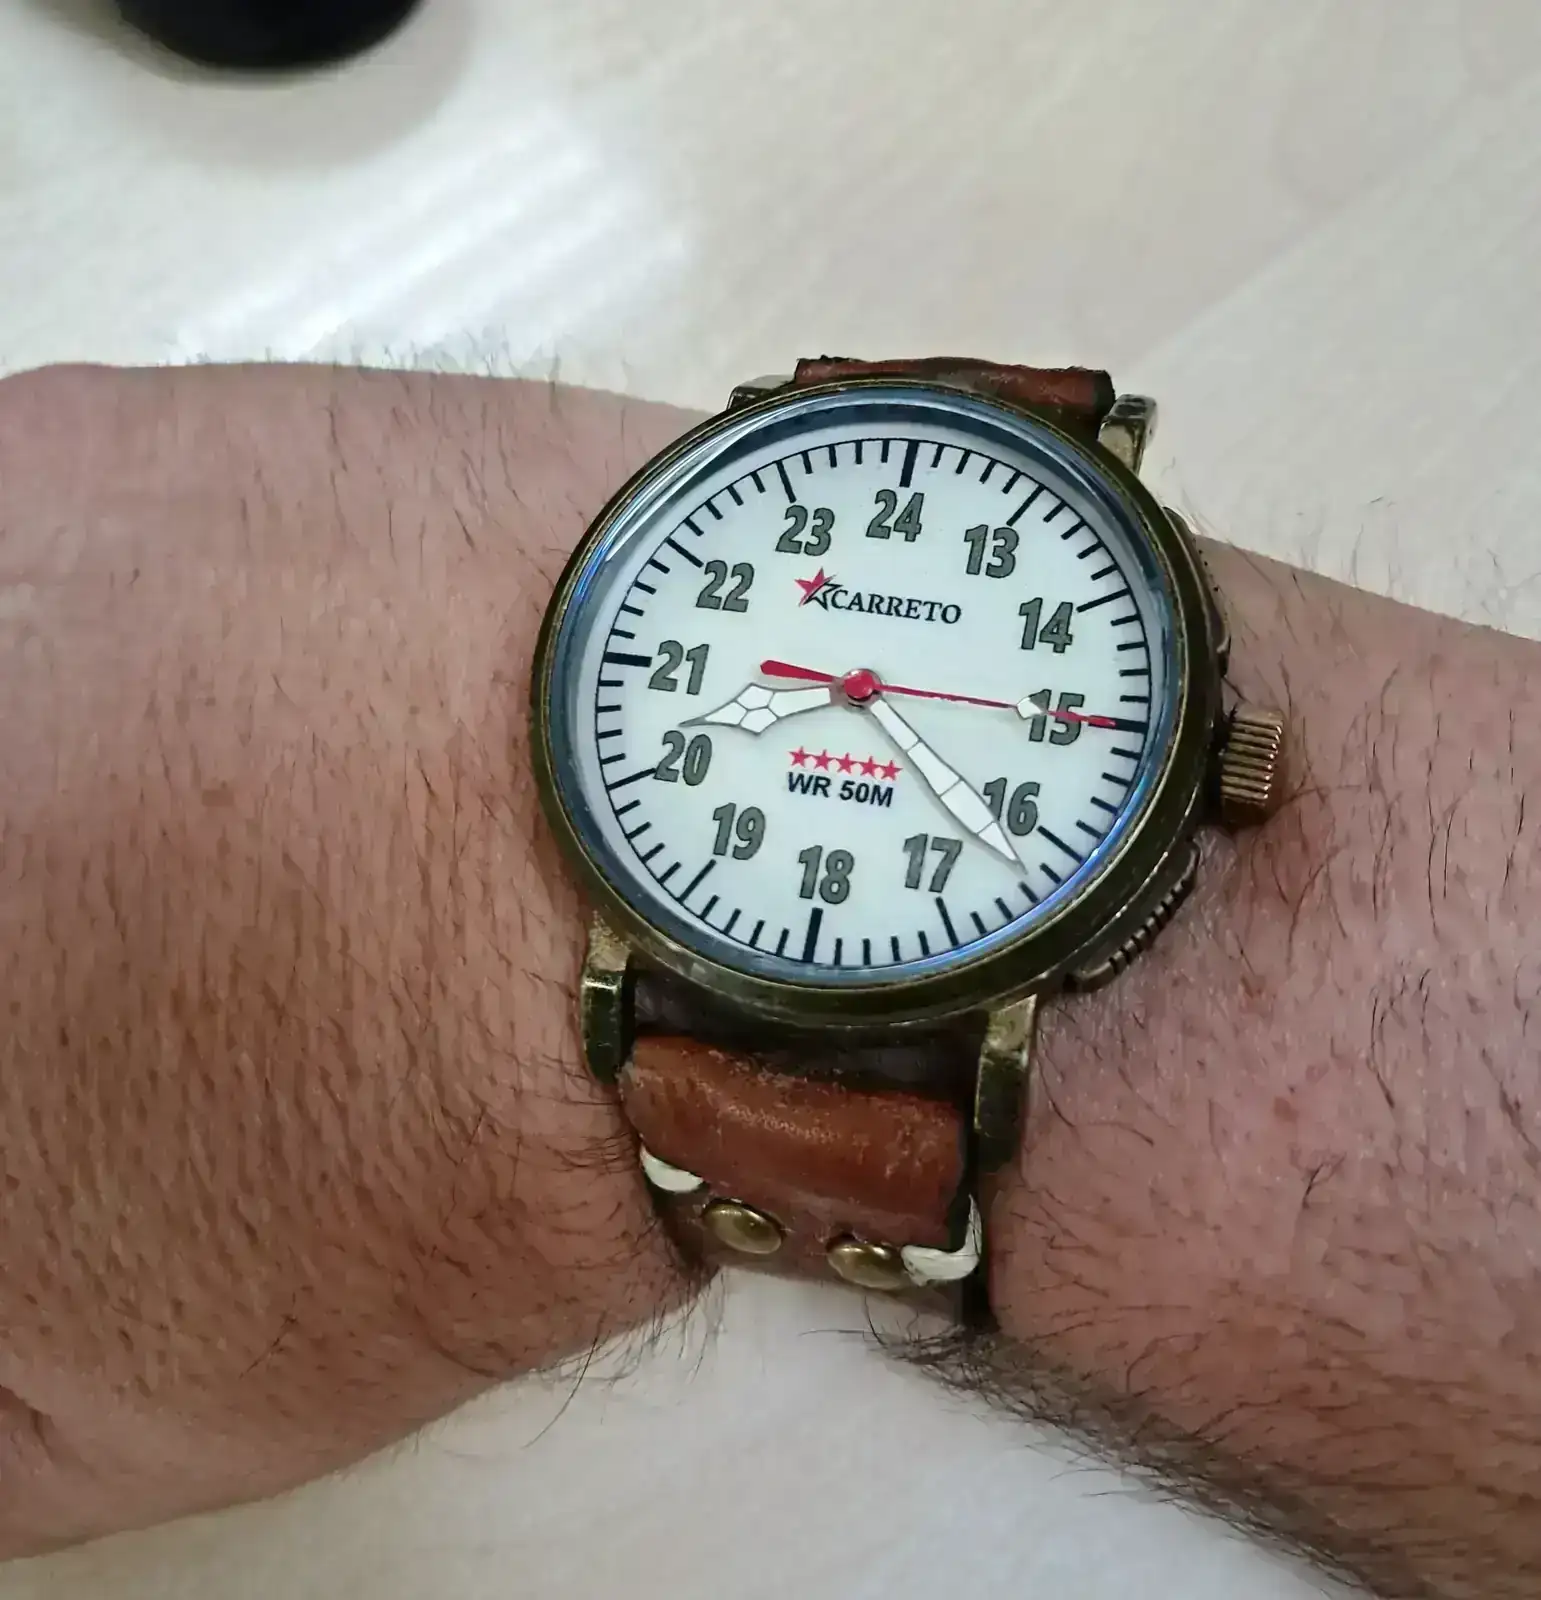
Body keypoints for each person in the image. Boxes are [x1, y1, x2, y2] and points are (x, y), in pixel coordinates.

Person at [0, 362, 1535, 1600]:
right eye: (845, 677)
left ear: (1219, 759)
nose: (857, 688)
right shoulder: (660, 859)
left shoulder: (1106, 853)